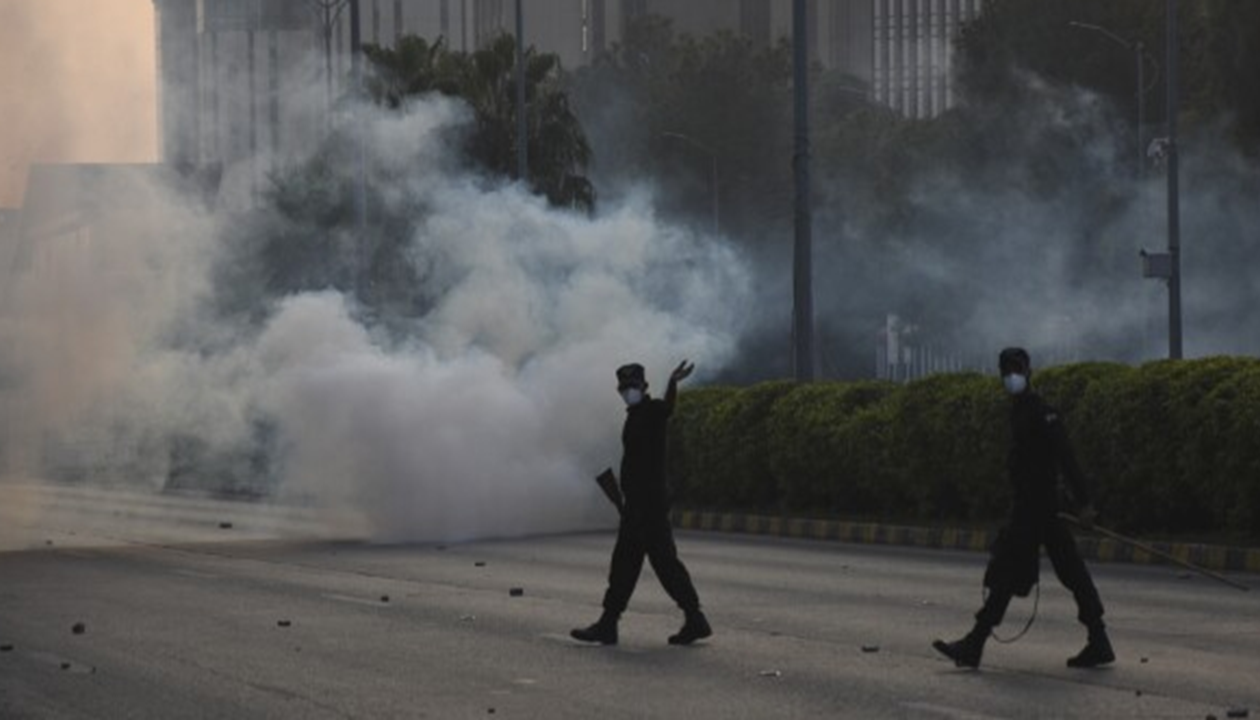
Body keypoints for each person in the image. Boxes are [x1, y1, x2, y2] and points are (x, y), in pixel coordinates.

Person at [933, 347, 1114, 669]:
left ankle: (974, 644)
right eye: (1006, 371)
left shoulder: (1042, 412)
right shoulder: (1018, 410)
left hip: (1039, 509)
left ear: (1029, 371)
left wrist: (1085, 504)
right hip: (1031, 507)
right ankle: (1098, 640)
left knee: (1014, 574)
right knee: (1059, 573)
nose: (1011, 376)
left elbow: (1066, 457)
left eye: (1016, 369)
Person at [571, 360, 712, 646]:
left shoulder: (650, 411)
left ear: (644, 387)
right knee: (629, 564)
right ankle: (611, 623)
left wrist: (672, 381)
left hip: (648, 506)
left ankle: (692, 618)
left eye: (633, 386)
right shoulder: (634, 415)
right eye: (624, 387)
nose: (628, 391)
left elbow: (668, 408)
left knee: (659, 565)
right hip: (637, 505)